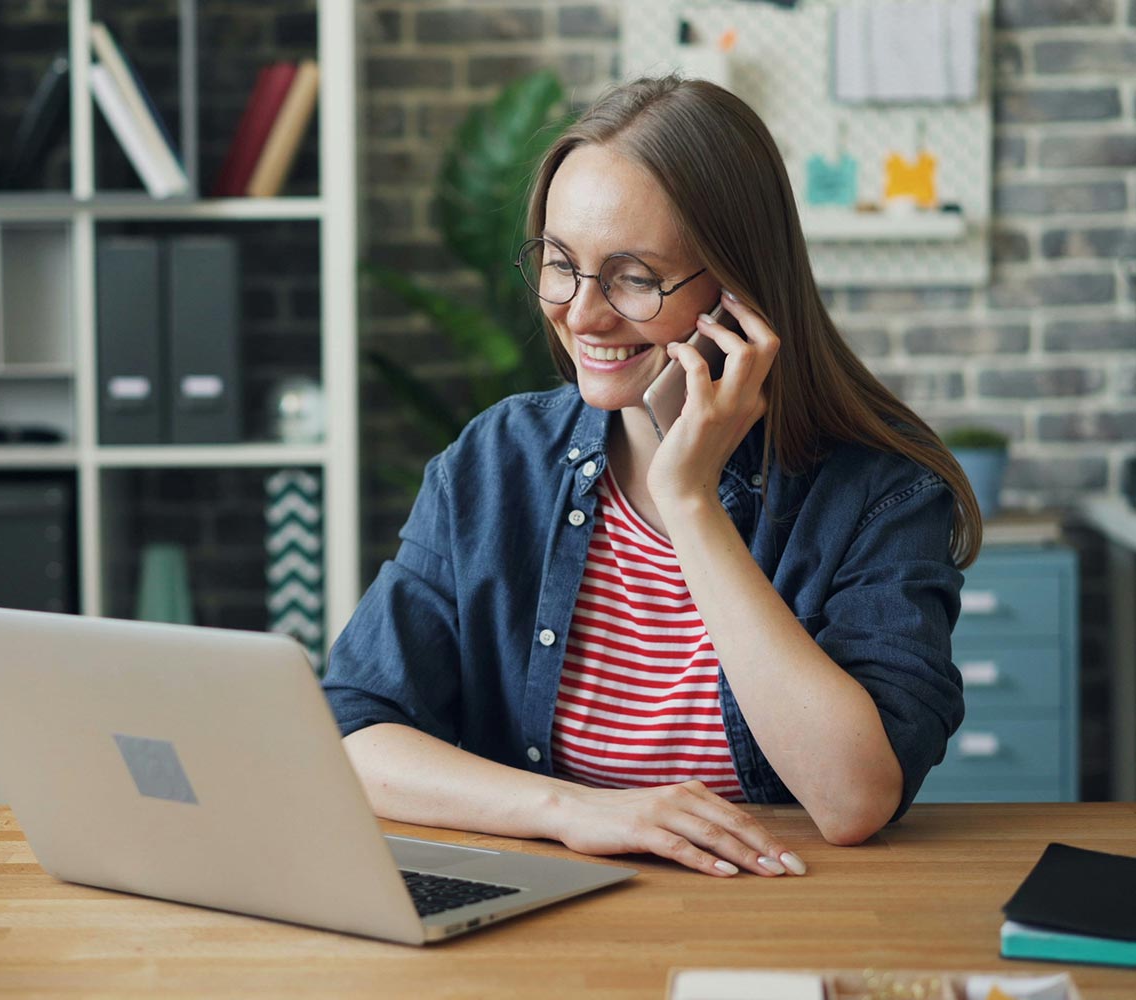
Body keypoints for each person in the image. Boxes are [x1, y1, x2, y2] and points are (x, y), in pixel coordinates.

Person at [323, 75, 978, 878]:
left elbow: (851, 801)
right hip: (555, 915)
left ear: (738, 290)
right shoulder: (496, 461)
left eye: (635, 277)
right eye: (561, 263)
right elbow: (356, 732)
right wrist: (572, 810)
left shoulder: (880, 490)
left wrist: (691, 499)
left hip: (785, 914)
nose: (583, 313)